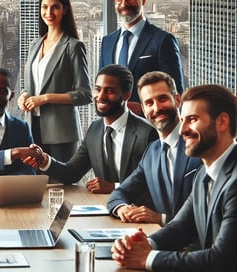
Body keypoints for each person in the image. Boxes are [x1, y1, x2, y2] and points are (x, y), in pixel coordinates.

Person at [112, 85, 237, 271]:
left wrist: (147, 258)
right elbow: (182, 226)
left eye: (192, 120)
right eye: (183, 120)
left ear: (222, 122)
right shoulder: (204, 173)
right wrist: (144, 243)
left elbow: (222, 259)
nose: (182, 130)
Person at [24, 64, 158, 194]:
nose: (101, 96)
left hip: (138, 211)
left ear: (126, 95)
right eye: (98, 89)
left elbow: (156, 182)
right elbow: (71, 173)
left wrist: (115, 187)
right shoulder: (95, 129)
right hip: (103, 208)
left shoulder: (147, 133)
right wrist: (45, 161)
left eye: (110, 91)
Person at [107, 71, 201, 225]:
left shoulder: (199, 143)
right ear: (143, 110)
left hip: (198, 244)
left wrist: (161, 219)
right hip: (162, 240)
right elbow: (120, 193)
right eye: (149, 103)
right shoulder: (152, 152)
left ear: (177, 100)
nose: (157, 108)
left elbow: (210, 212)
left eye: (162, 98)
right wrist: (123, 209)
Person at [17, 0, 92, 162]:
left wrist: (45, 98)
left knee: (62, 184)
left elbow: (85, 94)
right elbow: (34, 84)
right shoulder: (35, 45)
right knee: (36, 184)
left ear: (64, 9)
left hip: (61, 132)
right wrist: (24, 95)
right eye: (45, 7)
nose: (49, 12)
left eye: (55, 7)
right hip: (33, 125)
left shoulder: (73, 46)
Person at [99, 0, 184, 111]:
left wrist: (141, 109)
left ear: (143, 1)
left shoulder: (163, 40)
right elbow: (101, 85)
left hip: (149, 124)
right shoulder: (107, 42)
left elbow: (175, 91)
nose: (124, 4)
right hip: (113, 123)